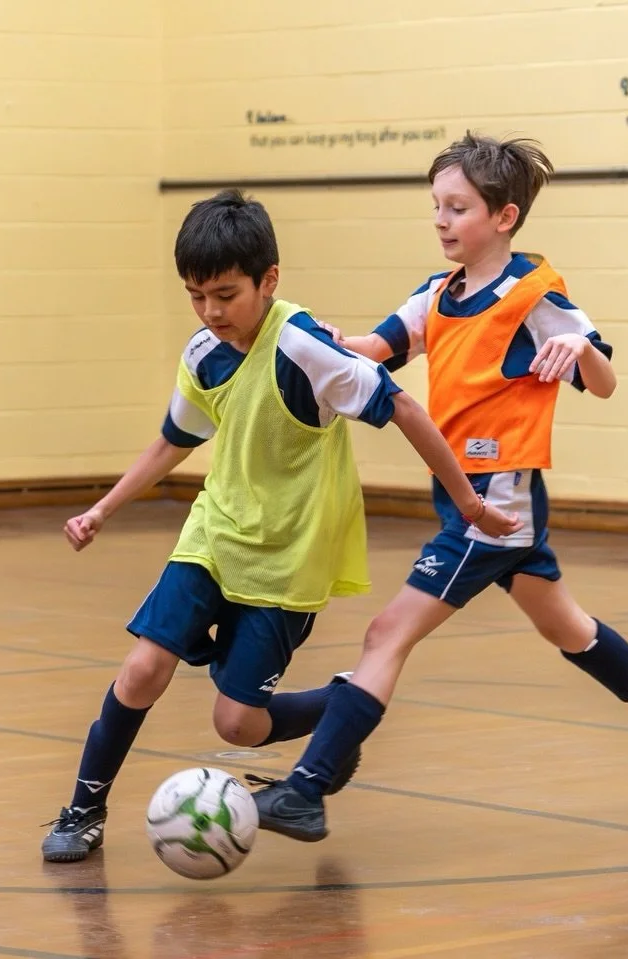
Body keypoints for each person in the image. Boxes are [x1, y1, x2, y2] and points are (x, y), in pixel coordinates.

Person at [250, 133, 628, 843]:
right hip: (462, 491)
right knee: (566, 626)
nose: (440, 219)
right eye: (435, 205)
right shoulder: (436, 294)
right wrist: (312, 337)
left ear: (504, 215)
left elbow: (605, 381)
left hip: (495, 502)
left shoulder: (535, 291)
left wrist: (579, 349)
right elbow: (374, 350)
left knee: (386, 632)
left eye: (457, 207)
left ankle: (309, 786)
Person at [40, 189, 519, 862]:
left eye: (226, 295)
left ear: (269, 280)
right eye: (196, 295)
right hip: (216, 534)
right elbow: (174, 439)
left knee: (236, 723)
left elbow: (406, 407)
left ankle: (341, 710)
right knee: (144, 667)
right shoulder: (204, 350)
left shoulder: (303, 348)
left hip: (289, 556)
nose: (211, 311)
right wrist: (101, 509)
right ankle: (84, 806)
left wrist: (467, 502)